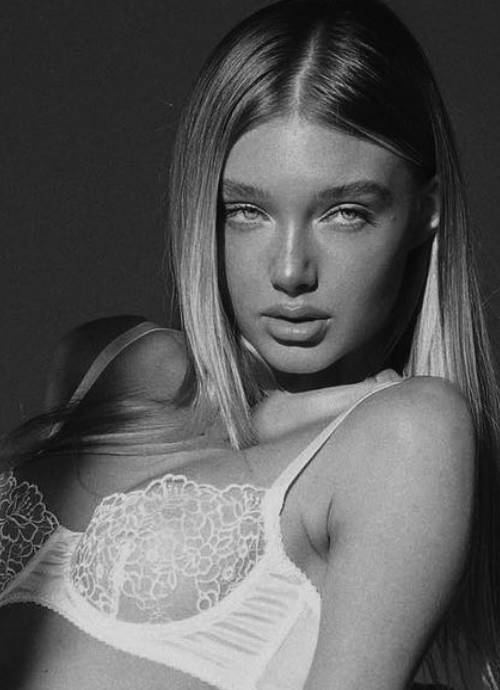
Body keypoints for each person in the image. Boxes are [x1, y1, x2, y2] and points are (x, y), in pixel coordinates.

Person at [1, 0, 499, 688]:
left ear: (423, 213)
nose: (291, 271)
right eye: (247, 211)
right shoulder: (107, 363)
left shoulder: (406, 437)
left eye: (345, 212)